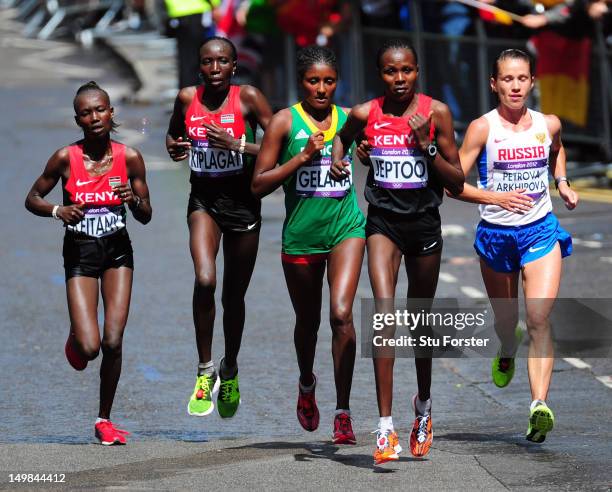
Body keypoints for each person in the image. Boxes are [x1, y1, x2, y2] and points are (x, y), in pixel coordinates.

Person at [331, 40, 464, 464]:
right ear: (380, 75)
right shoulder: (364, 113)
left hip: (424, 223)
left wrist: (427, 146)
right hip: (383, 222)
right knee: (385, 316)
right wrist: (344, 156)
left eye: (406, 70)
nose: (400, 79)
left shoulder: (436, 112)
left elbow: (457, 181)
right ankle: (385, 428)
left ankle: (423, 406)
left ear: (418, 71)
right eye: (391, 72)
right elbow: (343, 138)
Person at [451, 48, 578, 443]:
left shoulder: (547, 123)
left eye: (522, 78)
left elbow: (557, 150)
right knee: (508, 322)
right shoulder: (482, 129)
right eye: (507, 79)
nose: (515, 86)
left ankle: (539, 405)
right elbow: (454, 183)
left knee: (539, 319)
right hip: (496, 236)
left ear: (532, 82)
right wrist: (496, 198)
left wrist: (561, 183)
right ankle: (507, 344)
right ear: (494, 84)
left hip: (540, 231)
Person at [25, 81, 152, 445]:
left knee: (113, 341)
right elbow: (32, 197)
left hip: (118, 254)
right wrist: (56, 210)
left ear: (111, 113)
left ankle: (104, 419)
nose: (94, 117)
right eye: (86, 112)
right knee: (90, 347)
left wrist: (133, 200)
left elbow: (146, 215)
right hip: (79, 255)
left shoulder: (129, 158)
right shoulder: (65, 158)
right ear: (77, 118)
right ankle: (77, 339)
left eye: (101, 110)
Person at [252, 45, 365, 445]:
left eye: (329, 81)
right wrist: (301, 158)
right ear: (301, 82)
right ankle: (306, 381)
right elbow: (259, 183)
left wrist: (363, 152)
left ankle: (343, 411)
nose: (321, 89)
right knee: (308, 322)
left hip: (345, 228)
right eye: (313, 81)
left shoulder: (349, 119)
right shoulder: (285, 122)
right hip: (301, 236)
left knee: (341, 314)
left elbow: (367, 152)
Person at [166, 36, 272, 419]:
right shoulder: (186, 98)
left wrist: (238, 145)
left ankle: (230, 368)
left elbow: (283, 146)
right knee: (205, 279)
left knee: (233, 297)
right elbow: (173, 135)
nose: (214, 69)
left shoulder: (248, 99)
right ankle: (204, 370)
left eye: (222, 62)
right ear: (199, 66)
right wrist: (175, 147)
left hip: (243, 205)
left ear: (233, 66)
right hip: (204, 202)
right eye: (208, 62)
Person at [164, 0, 222, 88]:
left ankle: (186, 95)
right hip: (196, 11)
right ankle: (193, 96)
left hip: (177, 13)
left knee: (185, 61)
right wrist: (215, 5)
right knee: (196, 60)